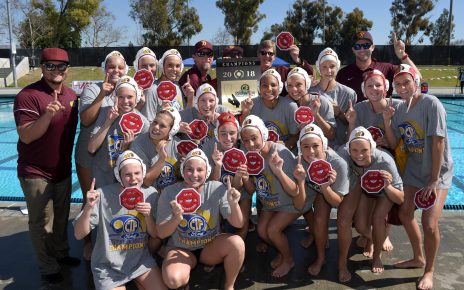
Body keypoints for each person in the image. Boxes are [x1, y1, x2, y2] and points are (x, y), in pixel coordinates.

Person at [383, 64, 454, 290]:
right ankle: (418, 257)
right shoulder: (400, 109)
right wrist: (386, 121)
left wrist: (433, 179)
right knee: (405, 213)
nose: (403, 87)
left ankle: (429, 270)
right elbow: (395, 144)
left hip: (437, 171)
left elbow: (438, 142)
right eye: (398, 84)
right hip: (413, 170)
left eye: (407, 82)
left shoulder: (431, 103)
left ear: (416, 81)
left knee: (429, 223)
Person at [13, 47, 80, 286]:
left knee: (61, 217)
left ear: (67, 69)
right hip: (35, 171)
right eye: (50, 66)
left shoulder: (72, 96)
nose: (56, 70)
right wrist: (47, 116)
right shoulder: (28, 96)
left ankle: (61, 254)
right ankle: (47, 265)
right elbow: (27, 136)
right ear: (41, 67)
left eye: (61, 66)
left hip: (61, 169)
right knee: (41, 221)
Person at [74, 151, 167, 290]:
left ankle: (138, 281)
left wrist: (147, 216)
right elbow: (78, 234)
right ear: (119, 175)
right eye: (127, 174)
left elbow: (155, 235)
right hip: (108, 266)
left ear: (143, 173)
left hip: (139, 262)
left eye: (137, 173)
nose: (133, 179)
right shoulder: (102, 195)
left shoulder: (151, 194)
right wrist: (88, 207)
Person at [156, 148, 245, 290]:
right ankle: (185, 278)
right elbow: (161, 233)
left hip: (210, 247)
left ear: (207, 172)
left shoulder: (216, 188)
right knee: (173, 280)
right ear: (183, 170)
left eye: (199, 170)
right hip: (181, 248)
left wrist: (234, 204)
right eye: (189, 169)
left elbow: (238, 223)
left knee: (237, 243)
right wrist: (176, 218)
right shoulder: (170, 192)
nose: (194, 175)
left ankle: (229, 286)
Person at [75, 50, 128, 260]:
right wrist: (102, 95)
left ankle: (112, 237)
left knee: (113, 196)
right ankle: (87, 242)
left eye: (120, 67)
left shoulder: (128, 89)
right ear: (104, 69)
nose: (116, 70)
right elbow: (86, 121)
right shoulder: (92, 89)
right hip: (89, 152)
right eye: (111, 66)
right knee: (89, 196)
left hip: (113, 151)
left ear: (126, 70)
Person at [337, 126, 404, 282]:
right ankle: (373, 239)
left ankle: (377, 255)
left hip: (384, 191)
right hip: (363, 188)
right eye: (354, 150)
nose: (359, 155)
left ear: (371, 147)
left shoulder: (385, 161)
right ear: (349, 149)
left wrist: (387, 186)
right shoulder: (343, 155)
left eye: (364, 150)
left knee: (377, 219)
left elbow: (400, 199)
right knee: (360, 226)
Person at [238, 115, 300, 278]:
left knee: (272, 231)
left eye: (254, 138)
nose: (250, 144)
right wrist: (244, 177)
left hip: (289, 202)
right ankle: (282, 251)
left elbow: (295, 191)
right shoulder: (247, 155)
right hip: (269, 203)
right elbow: (251, 191)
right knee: (262, 231)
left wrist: (278, 171)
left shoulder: (280, 152)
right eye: (245, 140)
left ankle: (288, 259)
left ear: (263, 135)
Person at [292, 124, 349, 276]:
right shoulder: (300, 163)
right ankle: (321, 257)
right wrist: (300, 181)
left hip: (347, 191)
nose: (310, 151)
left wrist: (325, 187)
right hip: (323, 190)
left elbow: (337, 202)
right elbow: (300, 205)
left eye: (315, 146)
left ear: (324, 145)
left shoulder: (338, 164)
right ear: (300, 148)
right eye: (306, 147)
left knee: (344, 223)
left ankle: (342, 263)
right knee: (318, 222)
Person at [88, 75, 149, 188]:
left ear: (137, 97)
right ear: (115, 97)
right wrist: (108, 122)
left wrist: (127, 147)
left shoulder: (144, 124)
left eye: (130, 97)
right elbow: (91, 148)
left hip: (128, 183)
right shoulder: (105, 113)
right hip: (103, 179)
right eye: (121, 97)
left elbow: (139, 164)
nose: (125, 101)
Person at [337, 31, 421, 102]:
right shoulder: (343, 74)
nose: (362, 49)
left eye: (366, 45)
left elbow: (417, 77)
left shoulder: (387, 68)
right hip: (355, 120)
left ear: (373, 47)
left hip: (385, 120)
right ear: (353, 49)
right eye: (357, 46)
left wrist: (403, 56)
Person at [240, 69, 299, 150]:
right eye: (264, 85)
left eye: (273, 85)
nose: (269, 89)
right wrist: (245, 112)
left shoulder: (290, 106)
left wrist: (285, 145)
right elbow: (244, 134)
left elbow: (295, 135)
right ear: (259, 88)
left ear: (280, 87)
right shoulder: (251, 105)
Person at [310, 47, 357, 149]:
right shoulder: (309, 92)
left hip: (340, 146)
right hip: (313, 148)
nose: (329, 71)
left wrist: (340, 114)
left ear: (338, 67)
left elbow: (352, 124)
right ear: (318, 68)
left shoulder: (349, 93)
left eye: (332, 66)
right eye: (324, 67)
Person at [141, 49, 189, 122]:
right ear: (162, 66)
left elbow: (185, 117)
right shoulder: (151, 90)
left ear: (181, 68)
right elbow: (148, 122)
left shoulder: (178, 87)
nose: (174, 69)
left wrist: (190, 97)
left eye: (177, 66)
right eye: (170, 65)